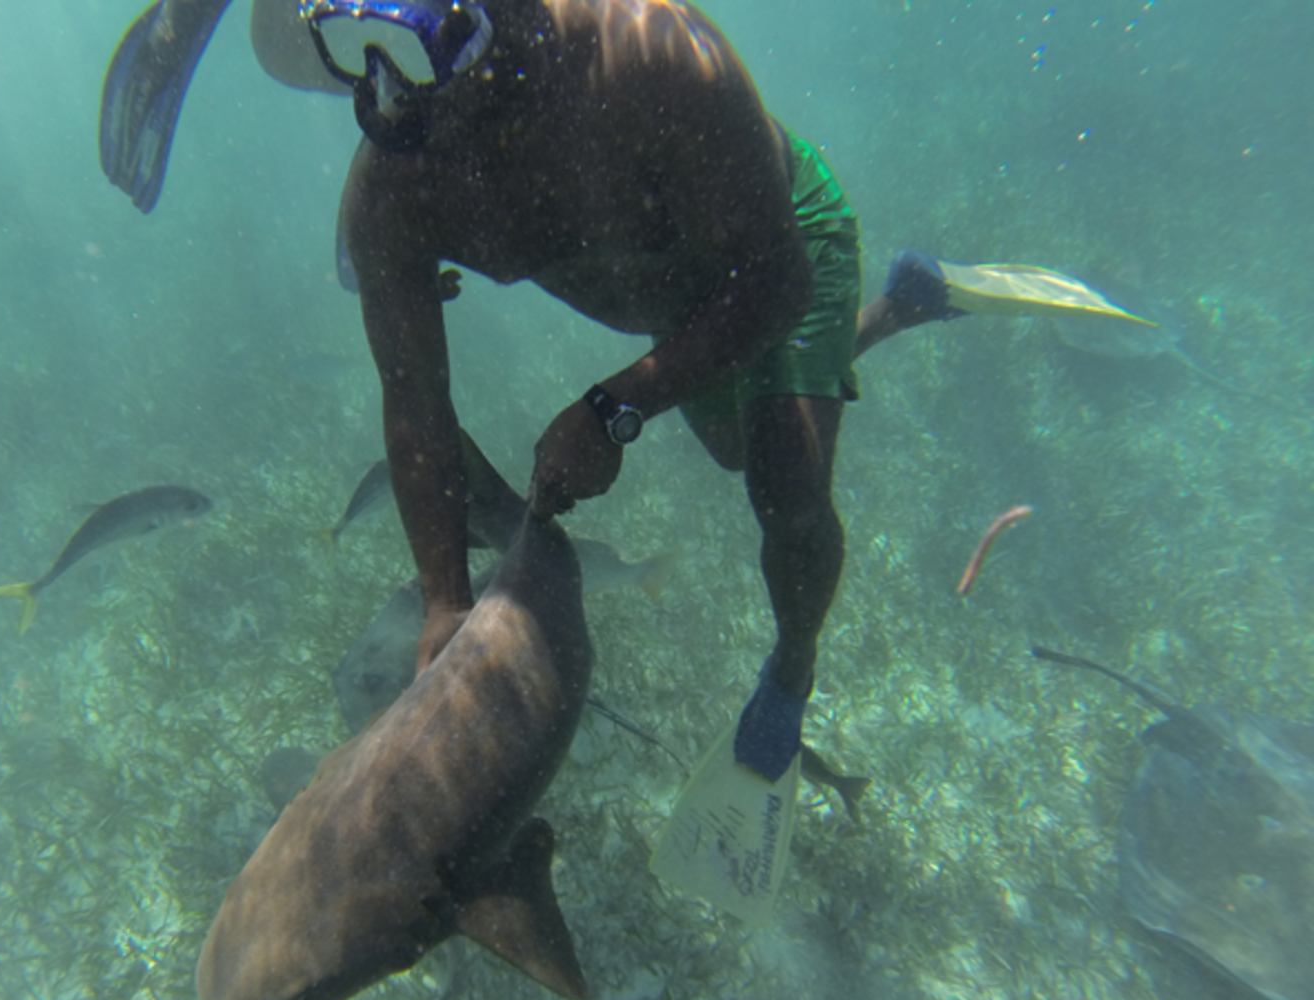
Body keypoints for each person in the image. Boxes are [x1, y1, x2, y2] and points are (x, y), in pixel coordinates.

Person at [97, 0, 966, 814]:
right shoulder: (396, 189)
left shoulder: (655, 60)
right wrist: (444, 601)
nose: (396, 97)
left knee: (787, 481)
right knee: (738, 441)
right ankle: (896, 311)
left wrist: (616, 407)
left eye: (430, 43)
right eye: (358, 55)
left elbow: (774, 282)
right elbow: (414, 404)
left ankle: (792, 667)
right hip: (672, 306)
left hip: (774, 247)